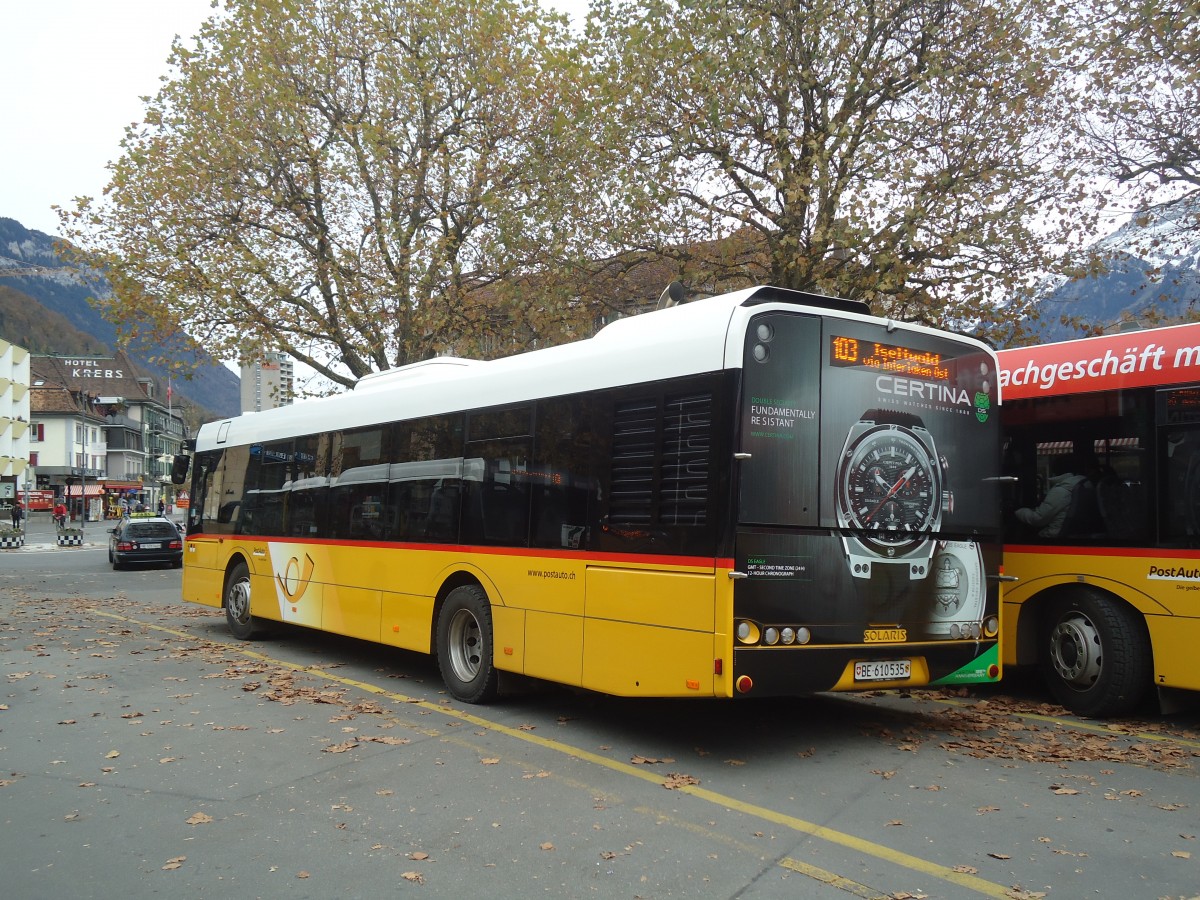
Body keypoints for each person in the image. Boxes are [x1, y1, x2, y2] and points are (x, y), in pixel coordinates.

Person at [1015, 454, 1086, 538]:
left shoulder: (1061, 490)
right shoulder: (1082, 485)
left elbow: (1038, 518)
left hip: (1053, 536)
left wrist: (1018, 511)